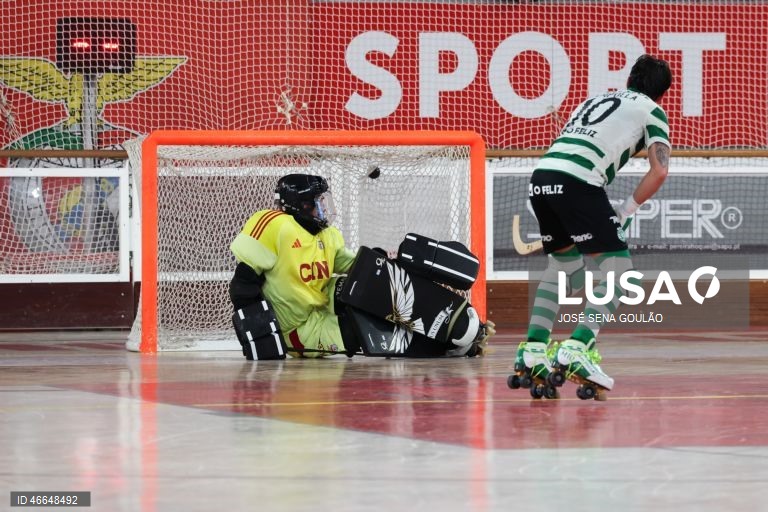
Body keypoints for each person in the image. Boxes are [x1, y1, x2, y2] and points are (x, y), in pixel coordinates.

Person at [513, 54, 672, 398]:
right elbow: (659, 170)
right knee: (620, 273)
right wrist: (627, 210)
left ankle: (533, 349)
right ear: (663, 95)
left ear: (629, 79)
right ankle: (577, 347)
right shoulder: (652, 111)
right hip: (578, 182)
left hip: (542, 179)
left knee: (563, 266)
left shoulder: (594, 99)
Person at [229, 173, 357, 358]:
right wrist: (262, 335)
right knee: (361, 331)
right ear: (302, 204)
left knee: (360, 289)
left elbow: (355, 266)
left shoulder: (328, 234)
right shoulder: (276, 226)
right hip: (299, 328)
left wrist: (381, 262)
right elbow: (242, 287)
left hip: (320, 306)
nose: (323, 208)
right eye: (318, 202)